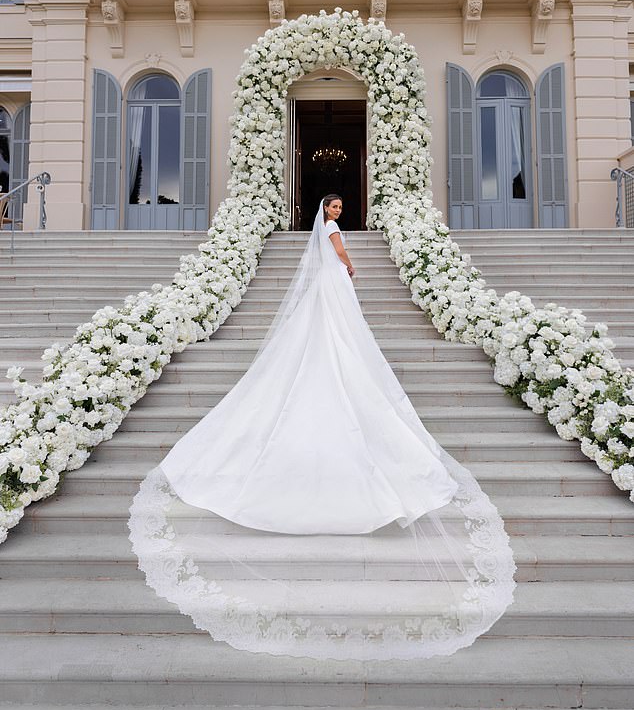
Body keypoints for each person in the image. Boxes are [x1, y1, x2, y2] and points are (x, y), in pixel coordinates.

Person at [128, 195, 516, 661]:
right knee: (339, 337)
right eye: (333, 208)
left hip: (327, 288)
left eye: (338, 208)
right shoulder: (332, 236)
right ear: (325, 212)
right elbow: (339, 253)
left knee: (331, 334)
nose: (337, 212)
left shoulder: (323, 231)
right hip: (336, 284)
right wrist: (350, 267)